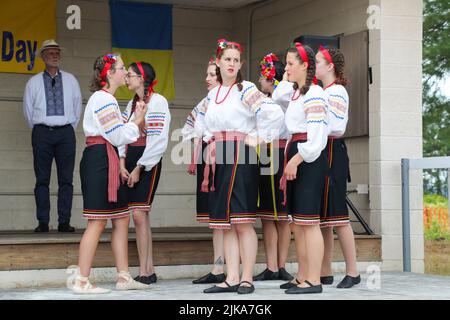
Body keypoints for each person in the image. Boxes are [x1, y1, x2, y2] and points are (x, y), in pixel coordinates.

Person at [196, 39, 284, 295]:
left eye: (236, 60)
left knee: (243, 220)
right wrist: (208, 141)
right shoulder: (213, 94)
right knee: (228, 222)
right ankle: (231, 276)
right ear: (218, 62)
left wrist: (258, 136)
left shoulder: (245, 89)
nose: (232, 64)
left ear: (240, 64)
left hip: (241, 154)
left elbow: (273, 114)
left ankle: (246, 277)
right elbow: (201, 122)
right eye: (227, 59)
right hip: (220, 154)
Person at [71, 54, 149, 294]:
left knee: (122, 217)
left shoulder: (107, 99)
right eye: (122, 68)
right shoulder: (103, 99)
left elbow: (116, 135)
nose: (125, 72)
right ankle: (81, 280)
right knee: (97, 221)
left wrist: (133, 125)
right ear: (109, 73)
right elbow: (116, 135)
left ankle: (123, 277)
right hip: (100, 160)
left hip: (107, 158)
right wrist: (137, 122)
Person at [276, 43, 328, 294]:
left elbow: (317, 137)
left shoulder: (315, 93)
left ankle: (314, 280)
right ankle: (303, 275)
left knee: (309, 222)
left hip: (308, 158)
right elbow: (277, 95)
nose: (285, 68)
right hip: (296, 151)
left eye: (290, 64)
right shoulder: (296, 93)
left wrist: (296, 160)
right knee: (298, 222)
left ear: (305, 66)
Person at [118, 61, 171, 285]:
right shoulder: (130, 104)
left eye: (130, 75)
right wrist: (122, 163)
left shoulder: (158, 102)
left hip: (148, 161)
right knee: (139, 215)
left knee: (139, 214)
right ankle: (148, 269)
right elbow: (122, 134)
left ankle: (144, 271)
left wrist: (139, 167)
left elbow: (158, 139)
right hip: (129, 159)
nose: (127, 78)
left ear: (142, 78)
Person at [23, 39, 82, 233]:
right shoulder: (33, 82)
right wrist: (41, 128)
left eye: (57, 52)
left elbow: (77, 107)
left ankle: (64, 222)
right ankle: (43, 222)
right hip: (42, 132)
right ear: (42, 56)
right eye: (50, 52)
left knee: (66, 179)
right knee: (42, 179)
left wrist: (67, 127)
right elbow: (28, 111)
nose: (54, 55)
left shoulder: (72, 80)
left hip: (65, 132)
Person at [315, 46, 360, 289]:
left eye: (318, 61)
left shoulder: (337, 91)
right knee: (325, 218)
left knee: (338, 215)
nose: (315, 66)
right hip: (323, 151)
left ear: (330, 66)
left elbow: (336, 127)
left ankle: (353, 271)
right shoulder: (324, 91)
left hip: (333, 150)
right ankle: (325, 270)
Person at [182, 57, 226, 284]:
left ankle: (236, 270)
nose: (206, 78)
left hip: (226, 155)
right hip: (209, 154)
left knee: (229, 216)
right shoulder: (206, 101)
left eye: (211, 75)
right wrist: (200, 140)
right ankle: (218, 268)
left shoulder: (232, 98)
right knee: (216, 219)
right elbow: (188, 127)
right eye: (207, 74)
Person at [253, 53, 293, 282]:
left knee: (282, 214)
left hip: (280, 152)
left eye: (263, 76)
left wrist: (282, 78)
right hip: (265, 153)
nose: (260, 80)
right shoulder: (262, 100)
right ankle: (271, 266)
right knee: (268, 214)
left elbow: (285, 89)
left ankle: (281, 265)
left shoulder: (283, 95)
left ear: (272, 79)